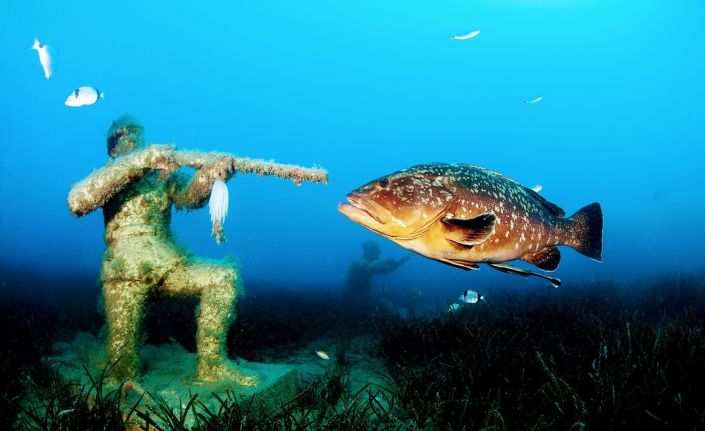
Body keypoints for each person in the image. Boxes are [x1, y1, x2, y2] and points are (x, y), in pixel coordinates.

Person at [67, 115, 256, 384]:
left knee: (223, 276)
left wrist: (210, 174)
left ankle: (212, 364)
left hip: (169, 263)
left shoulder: (161, 176)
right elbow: (77, 201)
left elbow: (190, 197)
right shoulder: (108, 176)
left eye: (136, 135)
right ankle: (97, 355)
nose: (132, 140)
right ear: (112, 148)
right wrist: (139, 161)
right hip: (125, 273)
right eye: (123, 137)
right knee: (122, 369)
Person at [343, 240, 410, 306]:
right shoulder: (357, 263)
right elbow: (369, 267)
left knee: (387, 305)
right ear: (369, 250)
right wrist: (386, 260)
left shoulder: (371, 263)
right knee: (387, 306)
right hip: (353, 298)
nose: (379, 252)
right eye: (376, 250)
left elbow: (388, 269)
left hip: (364, 297)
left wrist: (402, 260)